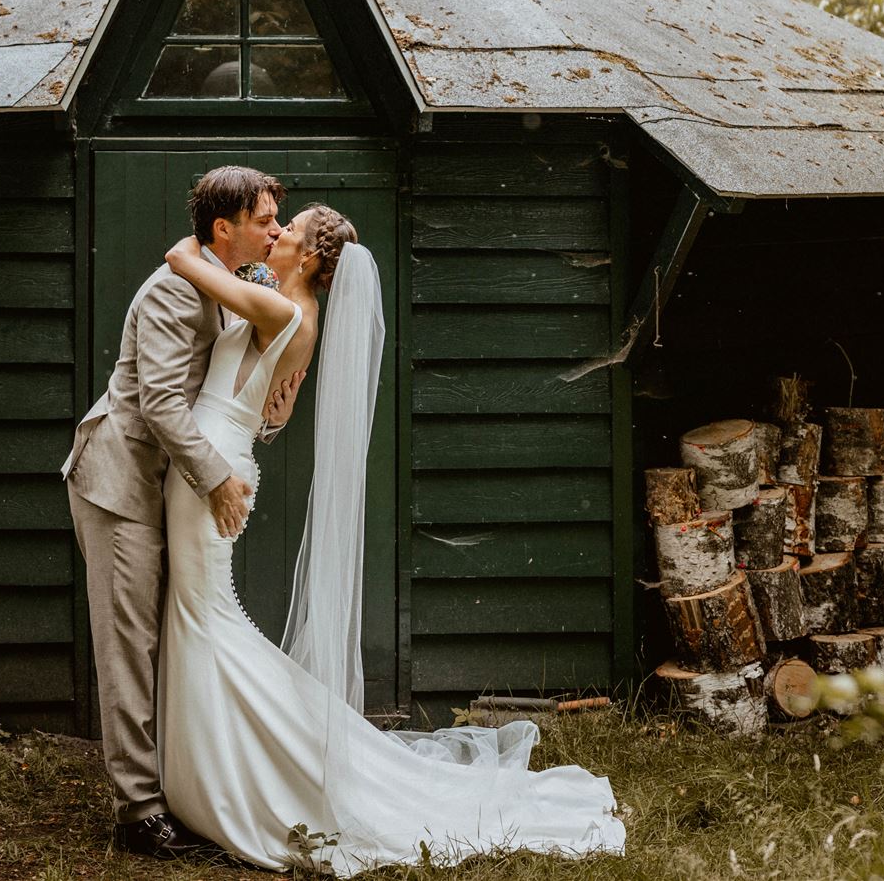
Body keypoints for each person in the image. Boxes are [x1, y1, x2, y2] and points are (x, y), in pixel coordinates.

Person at [154, 204, 629, 875]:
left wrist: (202, 245)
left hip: (213, 467)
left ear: (314, 258)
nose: (277, 231)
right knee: (205, 613)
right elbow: (272, 409)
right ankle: (230, 763)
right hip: (219, 453)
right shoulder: (288, 305)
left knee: (207, 615)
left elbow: (184, 259)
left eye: (288, 229)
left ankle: (239, 776)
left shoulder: (283, 310)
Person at [60, 165, 303, 858]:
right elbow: (163, 402)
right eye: (263, 219)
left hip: (173, 487)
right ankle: (137, 811)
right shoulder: (173, 289)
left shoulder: (238, 285)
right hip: (122, 482)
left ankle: (182, 782)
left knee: (171, 633)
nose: (276, 230)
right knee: (129, 645)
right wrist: (219, 477)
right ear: (222, 227)